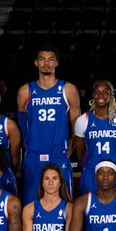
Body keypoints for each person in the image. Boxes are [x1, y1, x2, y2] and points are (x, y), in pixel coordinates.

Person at [17, 47, 79, 204]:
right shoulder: (25, 91)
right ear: (36, 62)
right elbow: (22, 128)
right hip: (34, 157)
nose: (46, 63)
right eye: (42, 59)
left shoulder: (68, 89)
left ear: (56, 63)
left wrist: (68, 151)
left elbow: (77, 128)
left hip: (58, 156)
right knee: (29, 206)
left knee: (64, 207)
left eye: (51, 59)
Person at [74, 79, 116, 195]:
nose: (100, 95)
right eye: (97, 92)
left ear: (111, 94)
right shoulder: (82, 120)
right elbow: (80, 155)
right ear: (93, 95)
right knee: (89, 210)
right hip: (91, 172)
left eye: (105, 91)